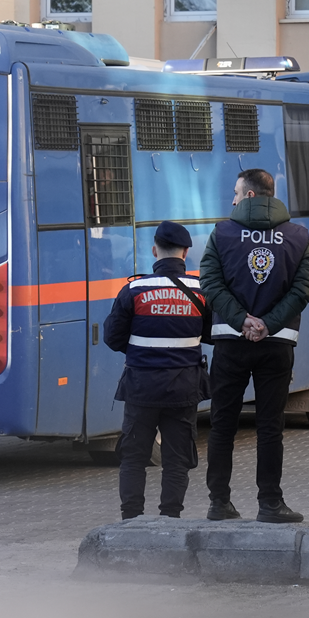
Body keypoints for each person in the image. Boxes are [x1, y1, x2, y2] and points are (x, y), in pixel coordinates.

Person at [199, 169, 309, 523]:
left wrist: (241, 320)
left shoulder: (222, 233)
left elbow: (210, 282)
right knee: (270, 426)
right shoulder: (298, 236)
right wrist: (268, 323)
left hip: (231, 343)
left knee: (222, 425)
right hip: (276, 343)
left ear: (250, 196)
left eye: (236, 192)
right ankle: (270, 503)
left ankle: (219, 503)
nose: (233, 199)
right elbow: (304, 287)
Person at [102, 221, 208, 520]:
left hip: (141, 388)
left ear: (154, 250)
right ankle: (170, 520)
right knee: (177, 460)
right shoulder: (201, 291)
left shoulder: (134, 290)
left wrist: (143, 352)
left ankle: (131, 520)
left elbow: (112, 338)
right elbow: (211, 333)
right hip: (184, 388)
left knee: (134, 458)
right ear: (186, 252)